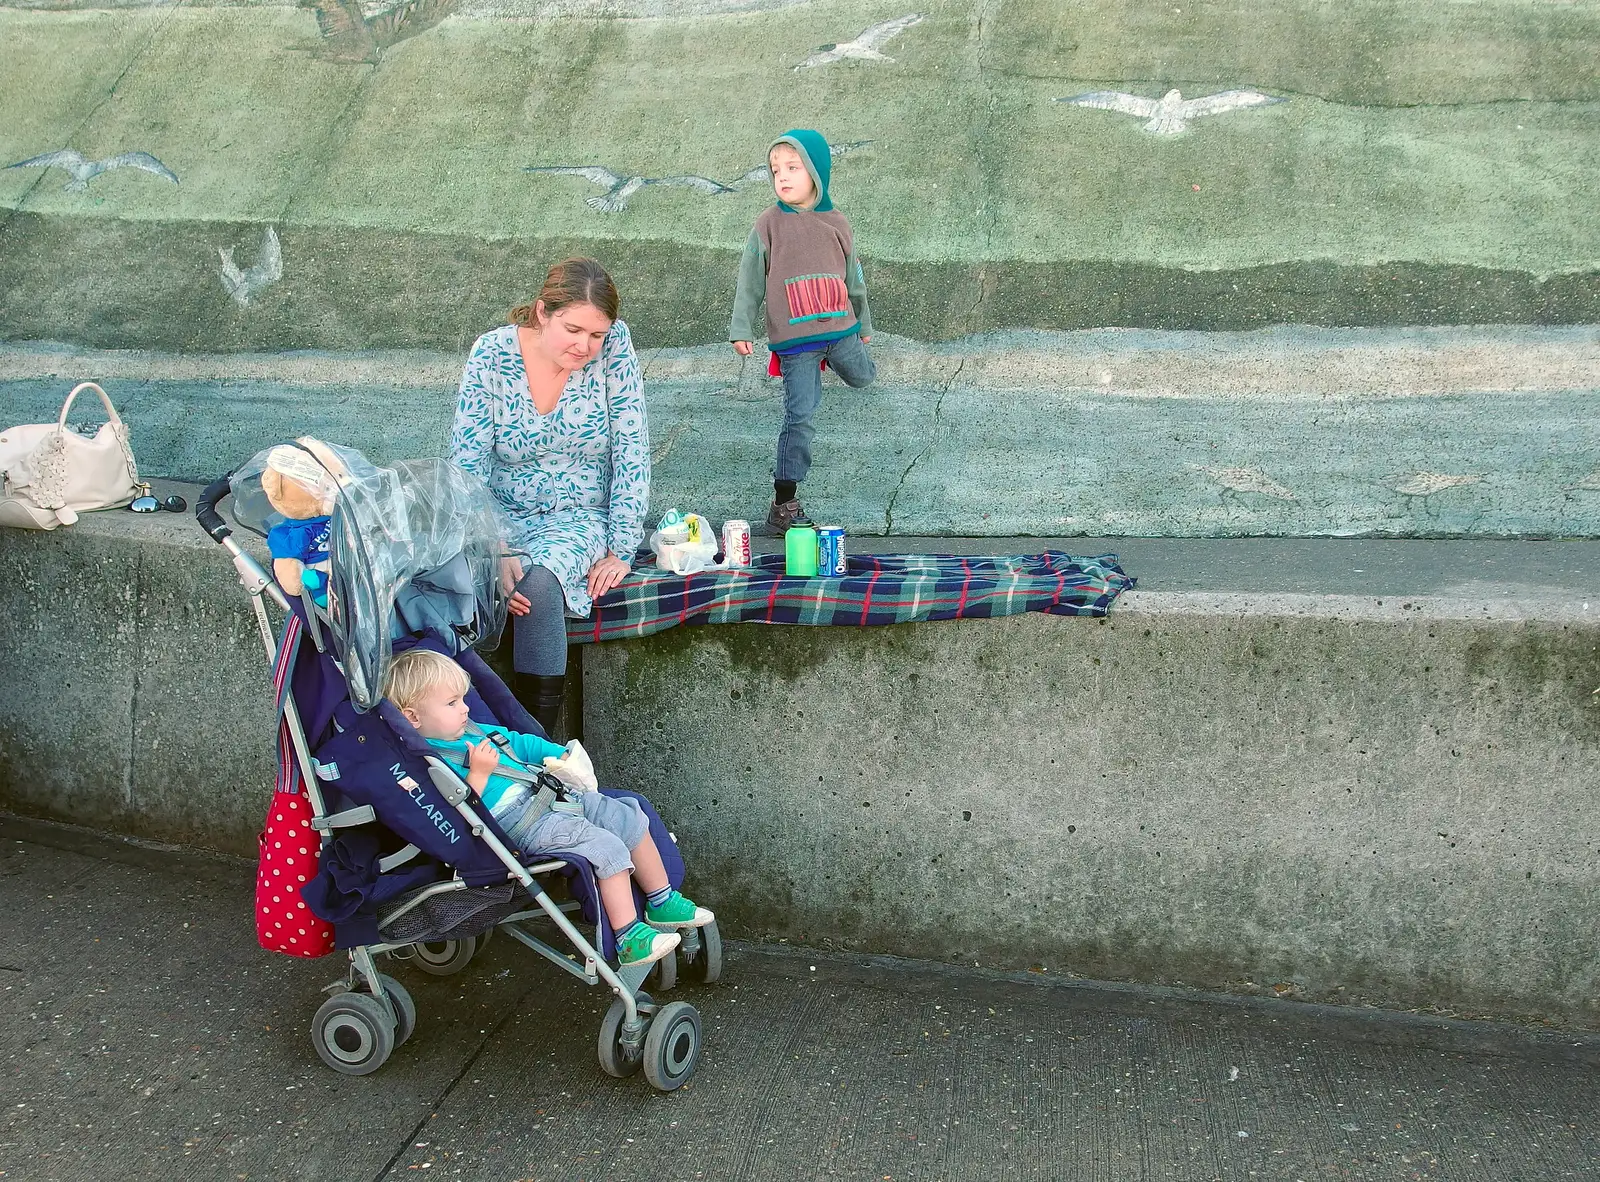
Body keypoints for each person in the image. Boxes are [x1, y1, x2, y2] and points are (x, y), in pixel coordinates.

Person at [383, 647, 713, 968]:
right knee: (605, 845)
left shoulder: (471, 730)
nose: (465, 709)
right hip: (517, 824)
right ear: (412, 717)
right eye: (452, 703)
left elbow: (517, 741)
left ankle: (661, 901)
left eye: (464, 699)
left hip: (548, 796)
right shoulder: (429, 764)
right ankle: (628, 937)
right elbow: (452, 820)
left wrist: (555, 753)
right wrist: (478, 775)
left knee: (627, 813)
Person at [450, 258, 649, 734]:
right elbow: (467, 461)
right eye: (573, 329)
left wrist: (621, 547)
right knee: (455, 584)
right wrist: (490, 547)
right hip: (501, 516)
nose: (585, 346)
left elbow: (632, 447)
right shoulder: (491, 355)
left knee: (536, 587)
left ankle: (535, 747)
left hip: (579, 517)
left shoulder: (615, 349)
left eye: (596, 335)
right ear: (543, 313)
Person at [729, 129, 877, 533]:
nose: (783, 176)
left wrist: (863, 325)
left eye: (793, 167)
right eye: (776, 170)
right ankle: (784, 503)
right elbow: (750, 280)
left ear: (816, 170)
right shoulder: (769, 224)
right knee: (800, 417)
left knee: (864, 376)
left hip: (841, 329)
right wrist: (741, 327)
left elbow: (854, 278)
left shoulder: (837, 222)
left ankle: (850, 360)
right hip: (796, 344)